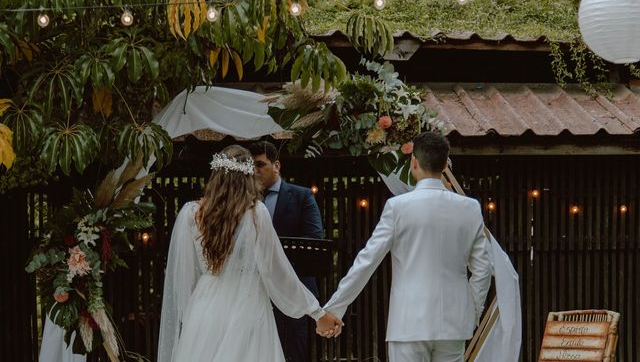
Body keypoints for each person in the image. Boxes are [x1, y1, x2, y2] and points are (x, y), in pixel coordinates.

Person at [157, 145, 342, 362]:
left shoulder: (191, 213)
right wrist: (317, 313)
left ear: (215, 175)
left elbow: (185, 276)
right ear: (248, 177)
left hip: (203, 309)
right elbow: (277, 273)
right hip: (247, 309)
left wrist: (190, 317)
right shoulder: (256, 213)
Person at [322, 131, 492, 362]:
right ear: (445, 165)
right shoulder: (470, 208)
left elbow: (367, 261)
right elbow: (482, 269)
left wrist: (333, 308)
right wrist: (471, 314)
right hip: (454, 325)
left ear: (414, 162)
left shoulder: (397, 207)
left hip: (408, 323)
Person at [249, 141, 323, 362]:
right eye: (251, 166)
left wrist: (273, 259)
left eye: (260, 164)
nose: (255, 171)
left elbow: (313, 240)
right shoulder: (244, 201)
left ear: (277, 165)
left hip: (293, 290)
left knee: (294, 353)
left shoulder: (302, 196)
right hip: (254, 292)